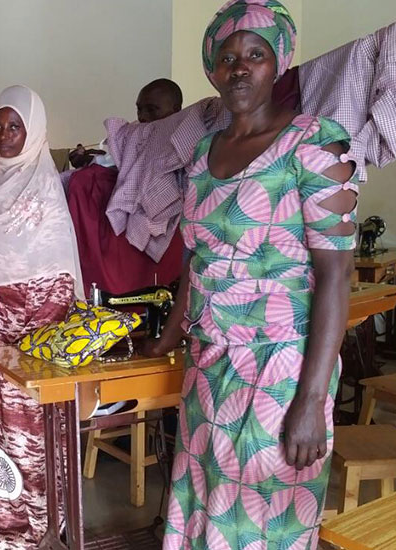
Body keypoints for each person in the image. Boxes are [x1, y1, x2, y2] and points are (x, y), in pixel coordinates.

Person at [142, 2, 358, 549]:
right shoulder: (200, 157)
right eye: (228, 57)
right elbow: (197, 260)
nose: (240, 68)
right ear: (213, 69)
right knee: (205, 502)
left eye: (255, 56)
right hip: (208, 363)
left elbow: (336, 275)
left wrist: (311, 400)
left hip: (282, 372)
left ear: (278, 63)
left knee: (262, 516)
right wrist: (166, 339)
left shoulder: (315, 144)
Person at [0, 85, 85, 549]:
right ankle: (3, 513)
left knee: (32, 416)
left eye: (14, 126)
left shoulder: (45, 188)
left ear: (33, 129)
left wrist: (34, 317)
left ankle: (40, 516)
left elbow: (57, 262)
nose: (4, 135)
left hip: (40, 315)